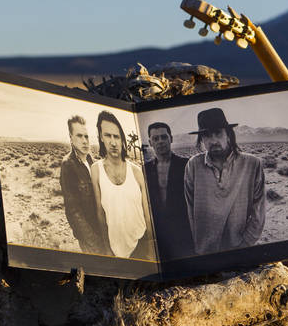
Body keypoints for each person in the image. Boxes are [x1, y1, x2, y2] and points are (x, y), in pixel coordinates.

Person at [183, 107, 266, 254]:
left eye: (218, 133)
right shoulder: (193, 165)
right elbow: (189, 210)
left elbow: (258, 212)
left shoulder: (252, 164)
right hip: (204, 251)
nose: (213, 140)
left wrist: (245, 243)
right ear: (201, 139)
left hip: (239, 248)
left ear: (228, 134)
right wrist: (197, 246)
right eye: (207, 135)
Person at [90, 110, 153, 259]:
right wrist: (106, 248)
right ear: (101, 137)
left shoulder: (136, 172)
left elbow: (147, 214)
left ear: (122, 139)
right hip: (115, 248)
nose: (113, 142)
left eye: (116, 136)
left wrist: (151, 248)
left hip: (141, 242)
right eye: (107, 135)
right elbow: (100, 213)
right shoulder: (96, 170)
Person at [143, 121, 194, 261]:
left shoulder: (186, 165)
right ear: (150, 142)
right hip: (159, 234)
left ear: (171, 138)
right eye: (155, 138)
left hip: (184, 232)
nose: (160, 141)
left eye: (164, 137)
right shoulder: (144, 170)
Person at [59, 115, 105, 253]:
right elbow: (73, 212)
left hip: (104, 231)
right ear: (71, 138)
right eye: (79, 136)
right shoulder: (68, 165)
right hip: (91, 239)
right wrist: (93, 241)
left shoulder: (92, 161)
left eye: (86, 136)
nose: (85, 141)